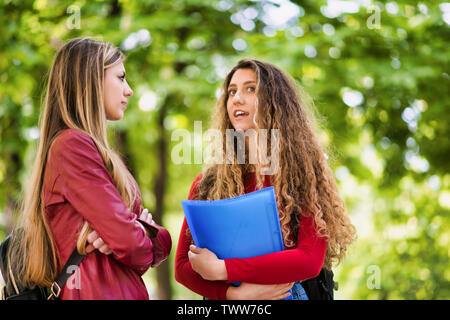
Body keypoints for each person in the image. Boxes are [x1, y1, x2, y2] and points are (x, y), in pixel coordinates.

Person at [174, 59, 356, 300]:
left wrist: (224, 269)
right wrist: (233, 295)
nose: (237, 98)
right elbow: (182, 267)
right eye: (232, 91)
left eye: (251, 88)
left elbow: (309, 259)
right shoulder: (207, 183)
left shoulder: (303, 175)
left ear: (275, 102)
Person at [4, 38, 171, 300]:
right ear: (91, 81)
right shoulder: (72, 145)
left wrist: (136, 232)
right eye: (120, 78)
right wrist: (137, 231)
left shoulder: (90, 150)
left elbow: (148, 247)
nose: (129, 90)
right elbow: (133, 246)